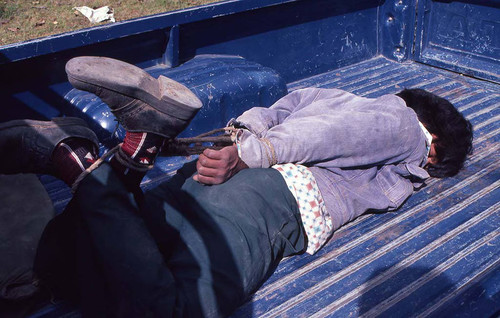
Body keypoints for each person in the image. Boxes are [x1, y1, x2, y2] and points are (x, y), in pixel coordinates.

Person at [0, 56, 473, 317]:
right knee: (179, 311)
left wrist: (237, 145)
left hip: (212, 176)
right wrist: (252, 156)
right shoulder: (403, 123)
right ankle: (83, 164)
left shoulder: (332, 96)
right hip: (270, 197)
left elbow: (272, 116)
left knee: (82, 269)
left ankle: (126, 162)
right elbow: (332, 137)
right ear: (437, 140)